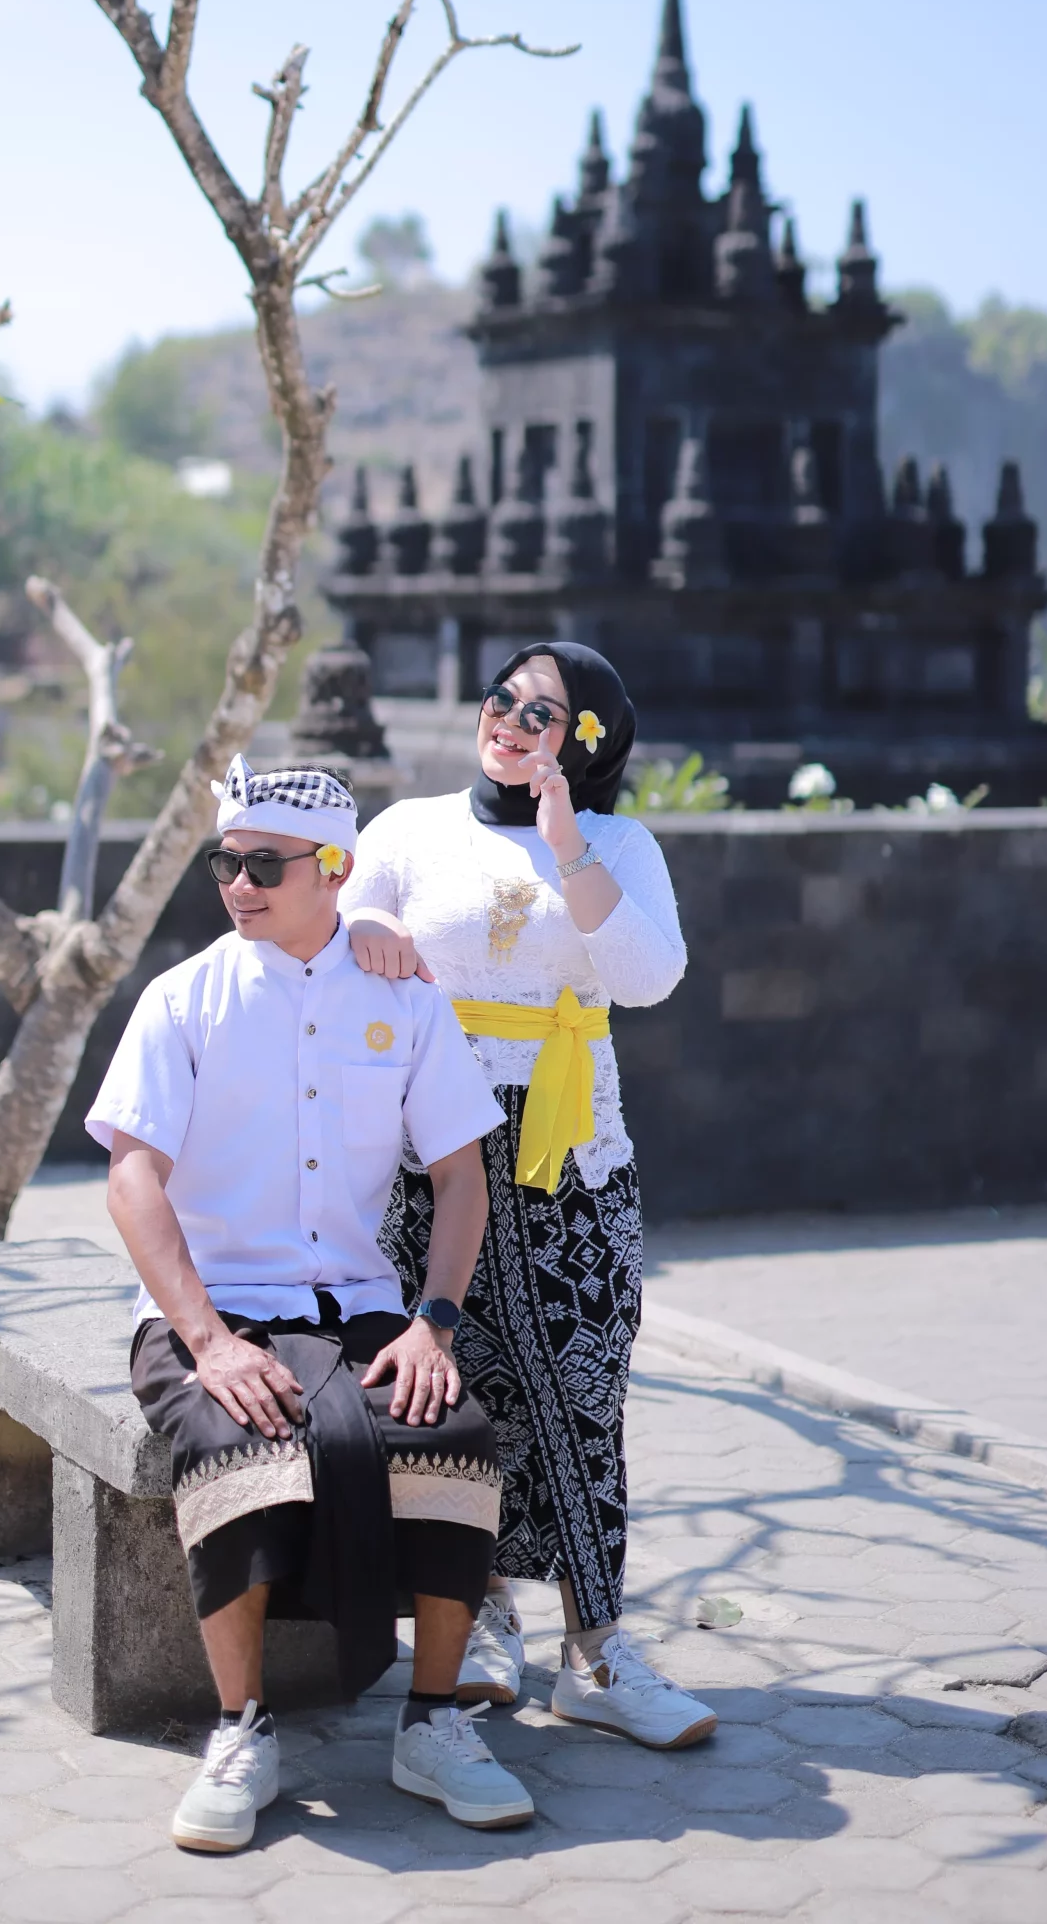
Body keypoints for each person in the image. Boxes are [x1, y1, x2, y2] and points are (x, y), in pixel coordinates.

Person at [85, 755, 536, 1854]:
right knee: (235, 1442)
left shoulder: (404, 1001)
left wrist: (433, 1323)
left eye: (263, 865)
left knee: (454, 1435)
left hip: (361, 1307)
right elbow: (132, 1177)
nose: (237, 884)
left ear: (335, 868)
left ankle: (431, 1725)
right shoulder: (181, 999)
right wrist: (207, 1343)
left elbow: (462, 1176)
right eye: (224, 863)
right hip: (213, 1308)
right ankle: (241, 1730)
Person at [344, 642, 717, 1750]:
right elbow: (336, 932)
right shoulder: (409, 829)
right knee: (456, 1399)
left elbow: (648, 978)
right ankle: (483, 1619)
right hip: (433, 1152)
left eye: (542, 713)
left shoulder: (616, 843)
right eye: (502, 697)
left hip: (572, 1158)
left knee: (583, 1395)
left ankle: (595, 1651)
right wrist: (365, 930)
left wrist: (566, 846)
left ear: (586, 741)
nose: (509, 720)